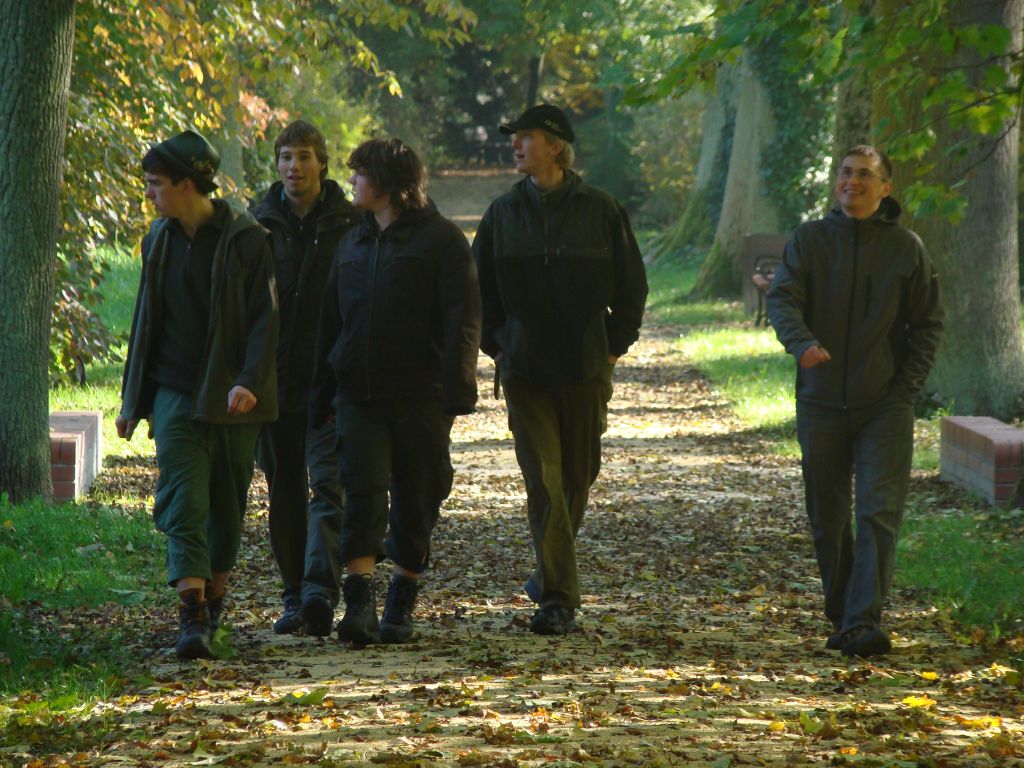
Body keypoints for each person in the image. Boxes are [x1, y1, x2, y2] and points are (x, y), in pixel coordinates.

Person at [473, 104, 648, 635]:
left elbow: (632, 286)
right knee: (544, 481)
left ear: (555, 146)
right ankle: (557, 599)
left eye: (526, 137)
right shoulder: (502, 214)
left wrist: (612, 348)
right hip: (525, 372)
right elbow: (479, 293)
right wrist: (498, 346)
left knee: (577, 478)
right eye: (515, 137)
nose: (516, 145)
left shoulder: (602, 210)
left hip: (586, 368)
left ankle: (549, 571)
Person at [766, 145, 943, 658]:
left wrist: (905, 390)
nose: (853, 182)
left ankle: (863, 621)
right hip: (819, 402)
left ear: (885, 187)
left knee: (878, 514)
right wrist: (801, 344)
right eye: (846, 173)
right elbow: (782, 299)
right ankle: (843, 613)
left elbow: (928, 324)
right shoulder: (810, 240)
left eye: (865, 174)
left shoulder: (906, 248)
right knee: (828, 518)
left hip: (883, 406)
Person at [309, 137, 481, 644]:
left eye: (360, 172)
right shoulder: (352, 243)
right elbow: (331, 322)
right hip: (358, 394)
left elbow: (463, 319)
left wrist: (458, 389)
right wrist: (321, 391)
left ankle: (402, 597)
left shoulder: (443, 241)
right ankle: (358, 603)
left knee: (418, 493)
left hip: (421, 394)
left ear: (387, 181)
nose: (352, 180)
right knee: (361, 489)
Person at [116, 129, 279, 659]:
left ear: (187, 184)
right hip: (175, 393)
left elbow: (266, 319)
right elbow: (145, 321)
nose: (149, 193)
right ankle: (191, 615)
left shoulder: (247, 239)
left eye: (156, 183)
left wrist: (249, 380)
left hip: (233, 398)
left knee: (226, 507)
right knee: (184, 499)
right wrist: (133, 400)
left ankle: (214, 603)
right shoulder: (158, 241)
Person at [251, 121, 360, 637]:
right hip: (273, 383)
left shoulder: (349, 222)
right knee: (285, 492)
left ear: (322, 163)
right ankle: (294, 594)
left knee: (329, 487)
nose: (294, 167)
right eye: (286, 157)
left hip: (331, 381)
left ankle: (319, 591)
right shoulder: (256, 225)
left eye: (303, 157)